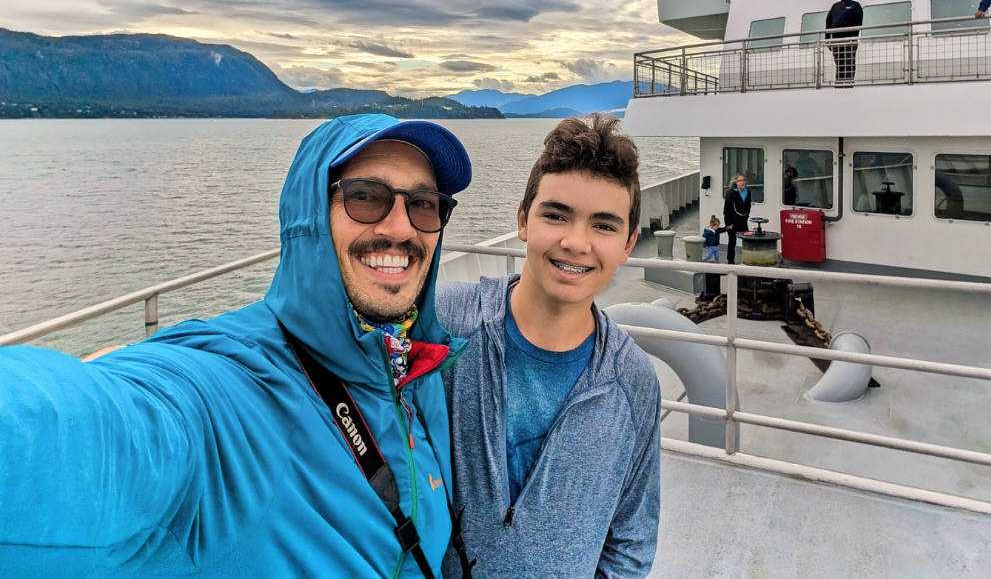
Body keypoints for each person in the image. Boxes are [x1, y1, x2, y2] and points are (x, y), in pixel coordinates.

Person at [0, 114, 473, 578]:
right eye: (365, 197)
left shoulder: (418, 367)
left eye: (424, 204)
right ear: (308, 217)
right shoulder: (233, 392)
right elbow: (88, 429)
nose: (402, 229)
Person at [437, 114, 661, 578]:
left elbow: (631, 538)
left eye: (603, 225)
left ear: (629, 244)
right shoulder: (446, 324)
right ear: (523, 220)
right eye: (556, 215)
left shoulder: (632, 381)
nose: (576, 242)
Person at [825, 0, 864, 86]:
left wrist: (853, 37)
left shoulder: (855, 5)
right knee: (839, 64)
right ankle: (838, 84)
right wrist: (827, 38)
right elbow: (828, 22)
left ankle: (848, 84)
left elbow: (859, 22)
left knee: (849, 63)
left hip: (849, 40)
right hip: (836, 41)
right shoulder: (835, 6)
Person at [723, 173, 752, 264]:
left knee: (747, 239)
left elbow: (748, 205)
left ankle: (748, 259)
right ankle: (730, 260)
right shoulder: (730, 193)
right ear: (735, 182)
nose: (743, 182)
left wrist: (746, 215)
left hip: (743, 220)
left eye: (744, 180)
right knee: (732, 241)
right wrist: (728, 224)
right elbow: (726, 210)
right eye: (740, 180)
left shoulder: (747, 191)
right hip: (731, 221)